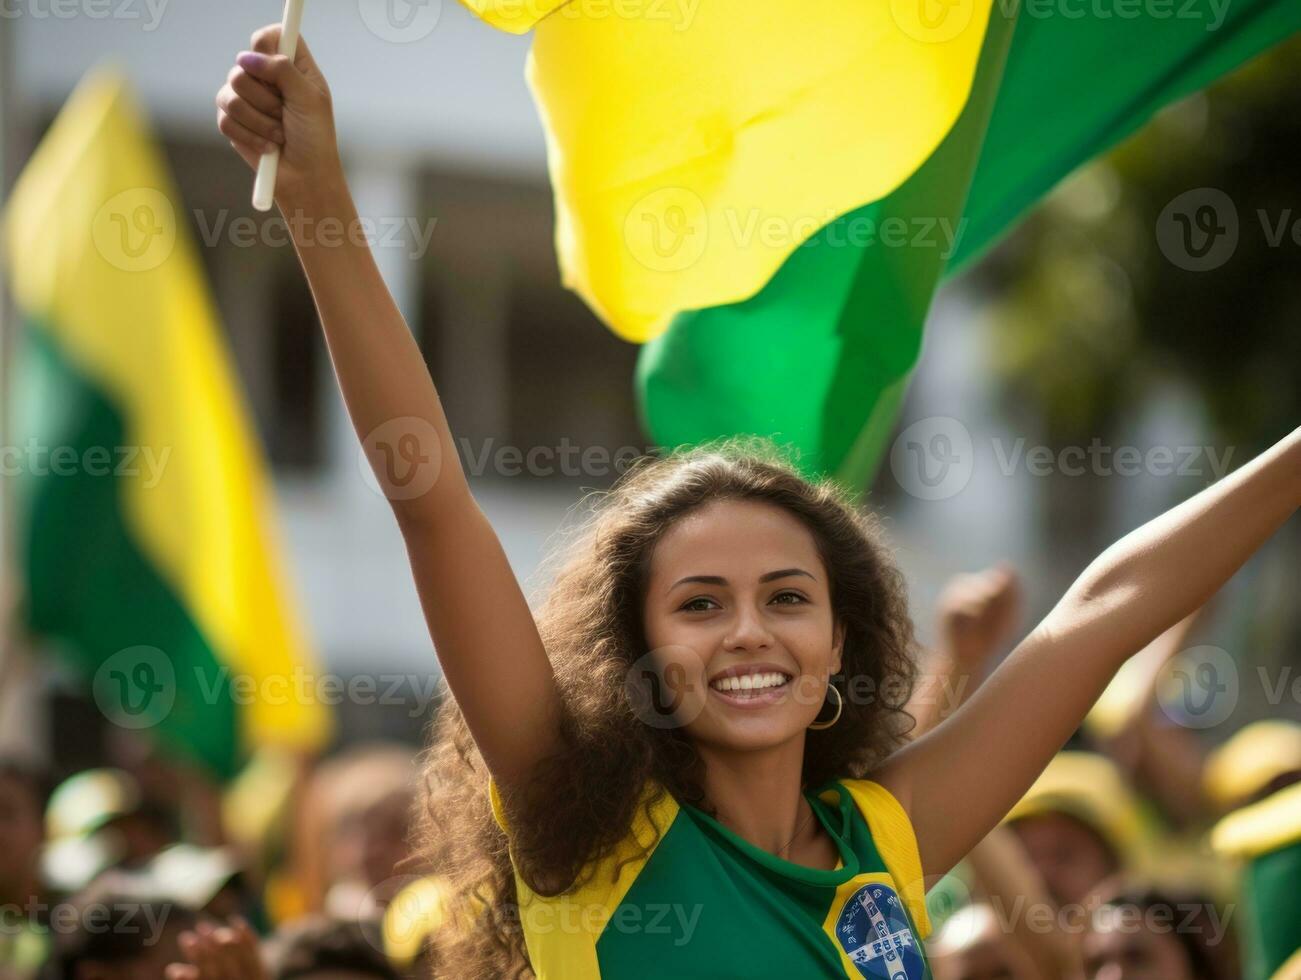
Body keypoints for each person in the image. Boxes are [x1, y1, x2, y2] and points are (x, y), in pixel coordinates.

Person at [214, 26, 1301, 979]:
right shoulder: (581, 826)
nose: (748, 630)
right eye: (697, 603)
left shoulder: (887, 834)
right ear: (629, 650)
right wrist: (319, 199)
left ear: (840, 636)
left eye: (786, 596)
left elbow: (1100, 610)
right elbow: (433, 499)